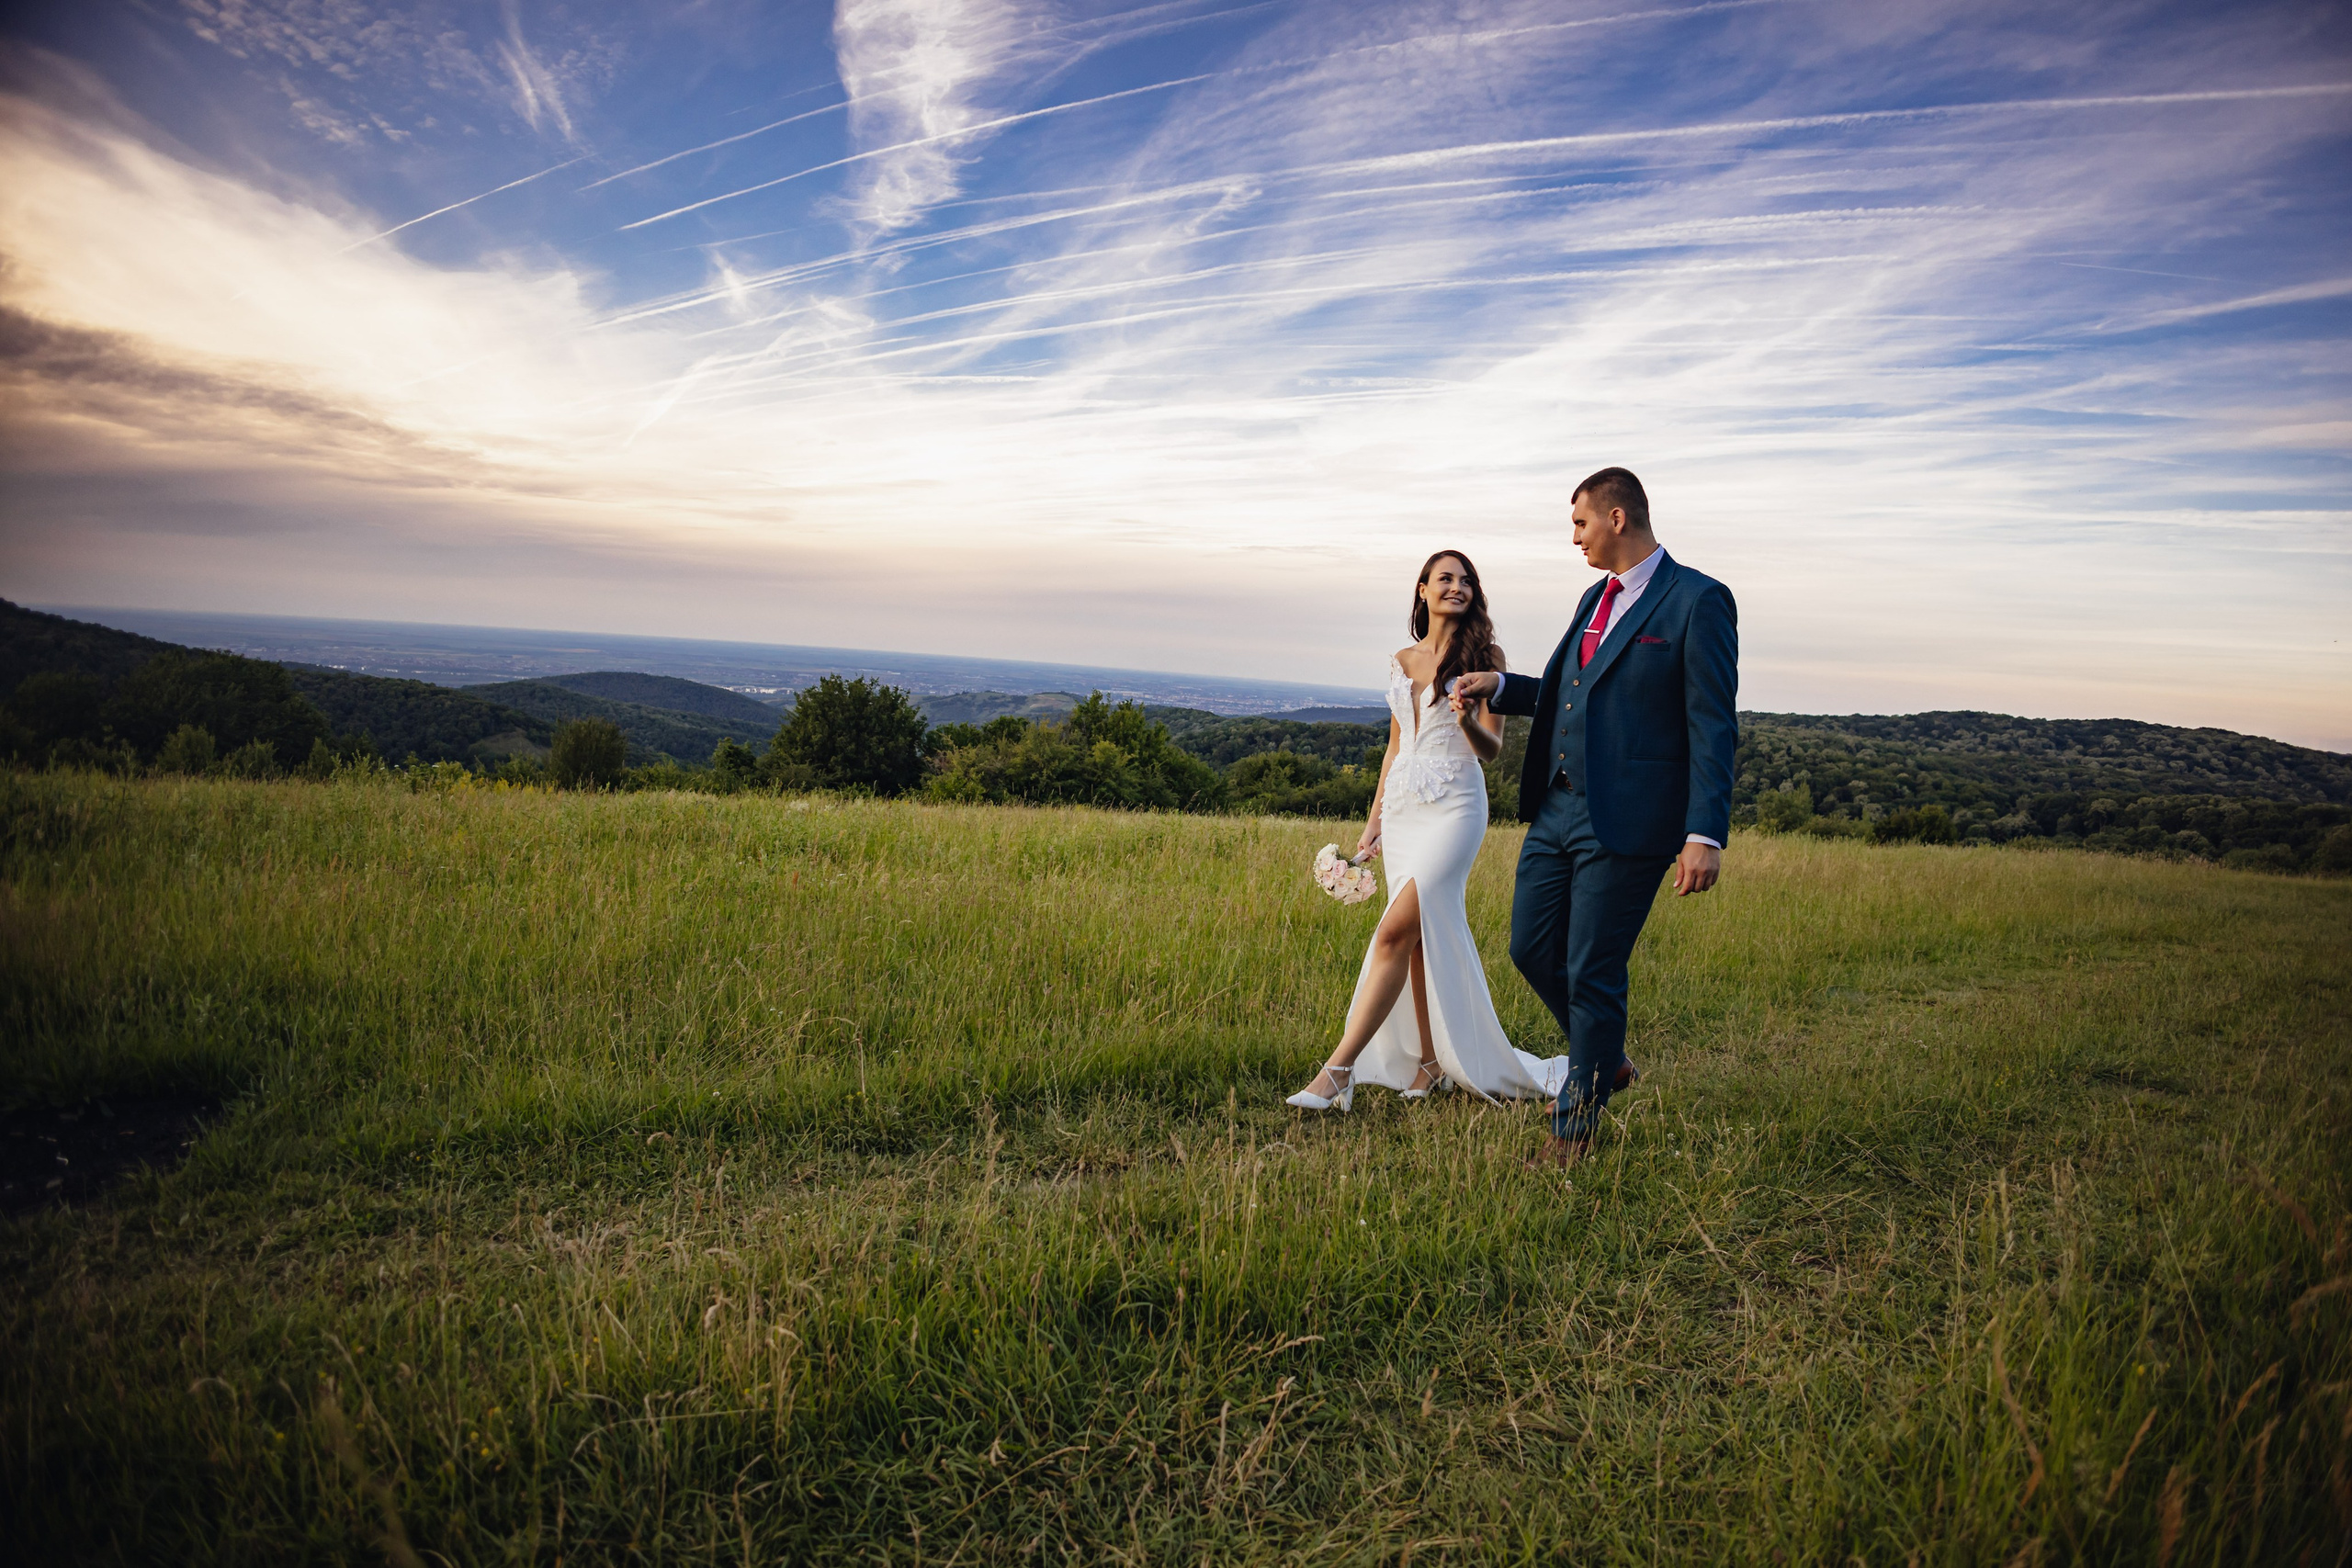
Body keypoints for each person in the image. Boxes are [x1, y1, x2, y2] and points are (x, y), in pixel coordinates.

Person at [1449, 467, 1737, 1167]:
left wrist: (1704, 832)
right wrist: (1500, 685)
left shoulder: (1698, 599)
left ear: (1616, 517)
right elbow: (1572, 689)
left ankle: (1572, 1130)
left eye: (1579, 523)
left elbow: (1712, 723)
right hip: (1557, 807)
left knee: (1592, 966)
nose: (1574, 537)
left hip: (1631, 819)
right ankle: (1605, 1055)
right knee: (1529, 945)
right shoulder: (1593, 596)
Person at [1286, 551, 1569, 1111]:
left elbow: (1490, 749)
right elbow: (1396, 747)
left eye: (1466, 581)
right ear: (1423, 590)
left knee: (1394, 931)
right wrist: (1374, 822)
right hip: (1404, 809)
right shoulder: (1402, 659)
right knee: (1415, 938)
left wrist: (1466, 719)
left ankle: (1338, 1071)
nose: (1457, 587)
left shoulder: (1486, 658)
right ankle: (1431, 1063)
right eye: (1445, 579)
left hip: (1456, 805)